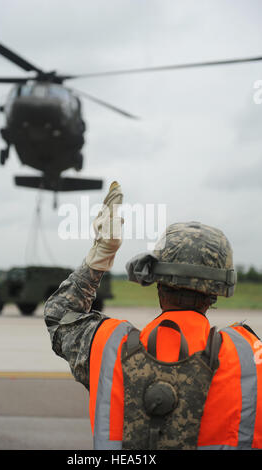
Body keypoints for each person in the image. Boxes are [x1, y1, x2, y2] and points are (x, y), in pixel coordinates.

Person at [44, 182, 262, 450]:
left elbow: (59, 315)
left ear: (157, 282)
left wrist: (100, 256)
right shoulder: (250, 358)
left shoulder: (109, 347)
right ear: (216, 292)